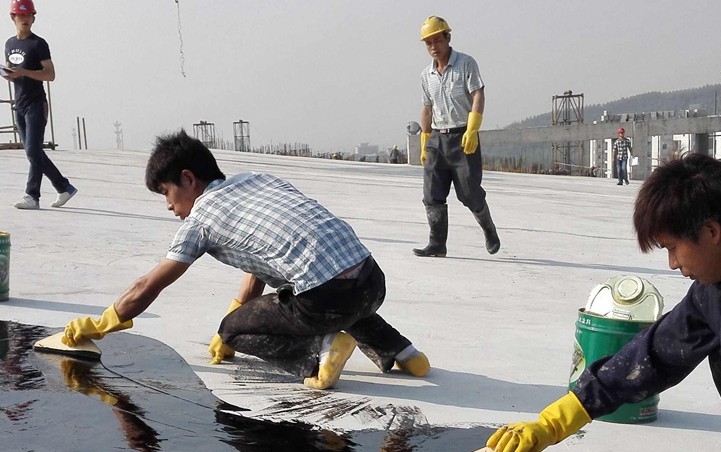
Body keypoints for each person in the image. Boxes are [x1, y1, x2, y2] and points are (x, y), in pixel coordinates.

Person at [487, 153, 721, 452]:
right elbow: (654, 356)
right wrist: (551, 423)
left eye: (671, 247)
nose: (671, 263)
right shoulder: (718, 290)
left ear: (711, 232)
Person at [61, 130, 430, 391]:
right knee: (331, 286)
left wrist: (100, 323)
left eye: (166, 192)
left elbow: (148, 286)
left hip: (327, 299)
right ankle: (404, 353)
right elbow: (259, 266)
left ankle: (320, 352)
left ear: (188, 179)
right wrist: (242, 304)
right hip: (371, 279)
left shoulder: (201, 220)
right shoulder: (256, 179)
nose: (168, 205)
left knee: (234, 328)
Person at [413, 15, 500, 258]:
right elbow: (427, 108)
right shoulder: (425, 76)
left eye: (436, 40)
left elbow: (478, 95)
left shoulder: (466, 64)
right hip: (437, 140)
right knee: (432, 194)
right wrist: (424, 140)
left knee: (470, 193)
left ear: (447, 38)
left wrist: (473, 128)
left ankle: (489, 229)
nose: (433, 47)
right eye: (428, 43)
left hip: (463, 137)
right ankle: (437, 244)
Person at [3, 0, 76, 210]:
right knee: (32, 152)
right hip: (20, 104)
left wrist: (24, 72)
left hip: (36, 104)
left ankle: (32, 195)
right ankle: (63, 187)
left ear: (33, 18)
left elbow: (50, 74)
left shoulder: (38, 44)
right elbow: (12, 72)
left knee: (33, 151)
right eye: (21, 16)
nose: (25, 20)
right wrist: (9, 74)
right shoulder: (9, 44)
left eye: (29, 16)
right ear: (13, 18)